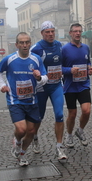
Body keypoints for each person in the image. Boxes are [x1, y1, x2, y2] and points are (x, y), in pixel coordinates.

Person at [0, 32, 48, 167]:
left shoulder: (36, 59)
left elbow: (46, 77)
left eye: (27, 42)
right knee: (22, 130)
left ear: (30, 43)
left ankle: (22, 154)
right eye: (22, 43)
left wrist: (39, 78)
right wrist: (2, 85)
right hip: (15, 100)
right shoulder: (10, 59)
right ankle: (17, 141)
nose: (25, 45)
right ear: (16, 44)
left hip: (32, 100)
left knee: (31, 131)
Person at [29, 21, 67, 161]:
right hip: (41, 89)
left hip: (56, 85)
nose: (51, 34)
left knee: (59, 115)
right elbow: (29, 65)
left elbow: (63, 64)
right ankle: (35, 137)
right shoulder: (36, 49)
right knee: (38, 117)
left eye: (52, 31)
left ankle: (59, 147)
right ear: (42, 34)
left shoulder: (59, 45)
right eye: (47, 32)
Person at [62, 23, 92, 148]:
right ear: (70, 33)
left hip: (83, 84)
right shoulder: (64, 49)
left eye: (80, 31)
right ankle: (69, 134)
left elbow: (88, 63)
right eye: (75, 31)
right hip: (70, 86)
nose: (78, 33)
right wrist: (69, 71)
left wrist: (90, 70)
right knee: (72, 114)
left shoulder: (86, 47)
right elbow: (59, 68)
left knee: (86, 111)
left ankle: (80, 131)